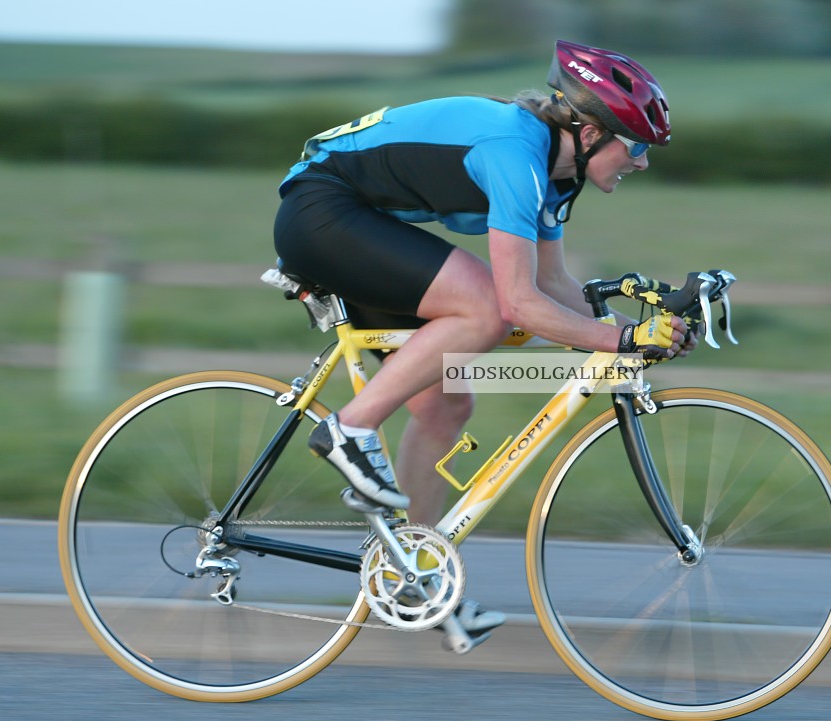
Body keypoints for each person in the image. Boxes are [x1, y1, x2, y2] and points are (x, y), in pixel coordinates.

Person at [272, 40, 693, 640]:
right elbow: (517, 302)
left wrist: (642, 334)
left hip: (361, 225)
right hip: (321, 209)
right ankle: (350, 426)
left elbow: (552, 284)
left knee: (446, 403)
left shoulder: (555, 173)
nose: (642, 162)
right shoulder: (515, 152)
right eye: (638, 145)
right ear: (593, 130)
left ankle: (412, 573)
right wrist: (619, 337)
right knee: (484, 309)